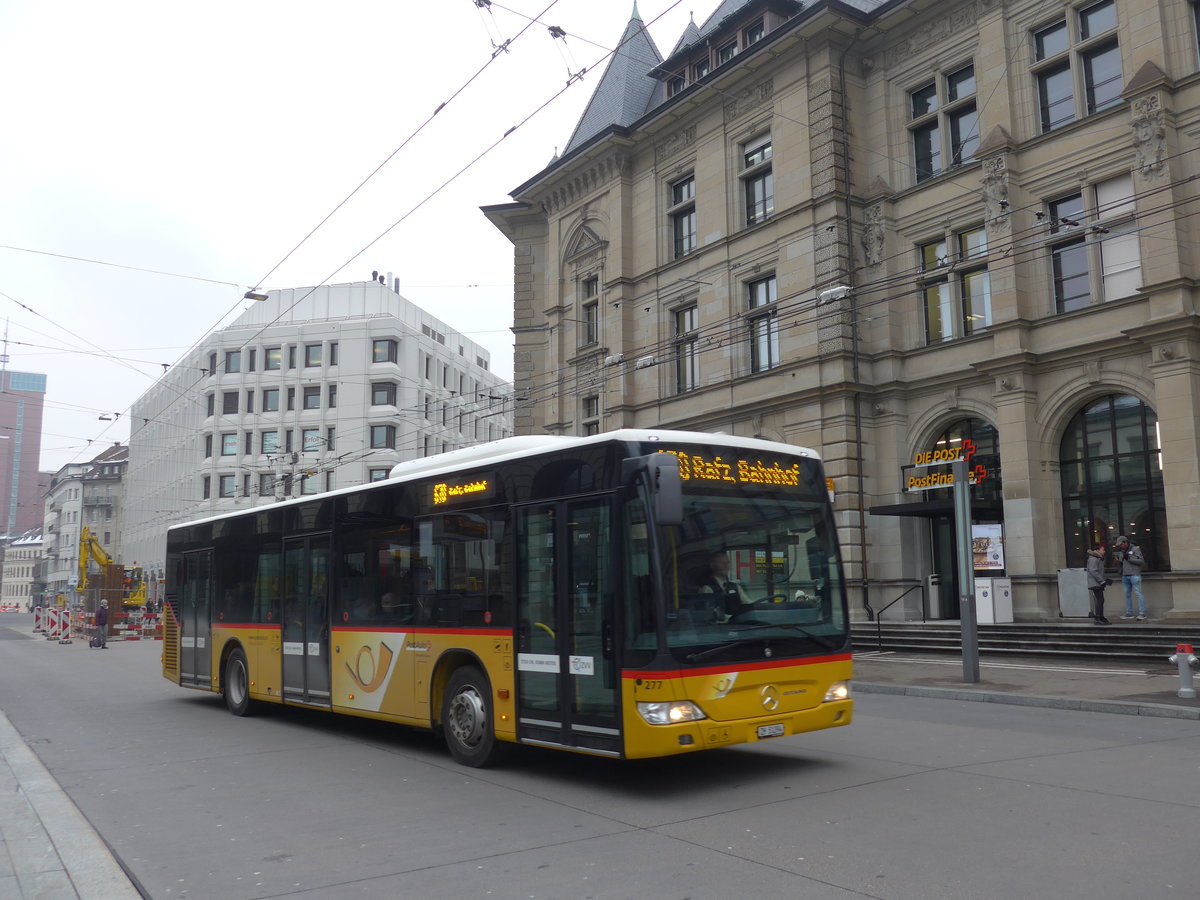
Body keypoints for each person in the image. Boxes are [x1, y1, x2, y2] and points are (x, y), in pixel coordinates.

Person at [692, 550, 752, 618]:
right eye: (721, 562)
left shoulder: (736, 586)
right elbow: (707, 614)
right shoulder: (707, 588)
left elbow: (747, 604)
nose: (726, 566)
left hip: (740, 625)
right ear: (712, 565)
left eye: (727, 562)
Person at [1115, 535, 1147, 620]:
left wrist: (1129, 558)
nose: (1120, 546)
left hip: (1134, 574)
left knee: (1138, 593)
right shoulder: (1121, 551)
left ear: (1125, 542)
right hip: (1125, 575)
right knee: (1127, 595)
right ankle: (1129, 613)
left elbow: (1141, 561)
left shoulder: (1135, 549)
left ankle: (1142, 613)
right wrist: (1119, 560)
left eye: (1121, 544)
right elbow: (1123, 561)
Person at [1084, 544, 1110, 625]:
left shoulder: (1097, 558)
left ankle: (1100, 616)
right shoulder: (1094, 559)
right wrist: (1101, 581)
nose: (1104, 551)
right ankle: (1098, 617)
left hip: (1097, 582)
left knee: (1100, 600)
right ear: (1098, 550)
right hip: (1096, 583)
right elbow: (1093, 571)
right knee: (1099, 600)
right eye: (1103, 550)